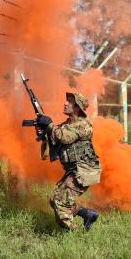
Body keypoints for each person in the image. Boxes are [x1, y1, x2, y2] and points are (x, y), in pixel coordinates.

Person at [35, 92, 102, 231]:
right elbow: (55, 137)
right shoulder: (66, 125)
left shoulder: (84, 125)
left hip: (85, 171)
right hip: (75, 170)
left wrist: (49, 124)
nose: (65, 103)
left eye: (70, 102)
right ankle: (87, 214)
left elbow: (64, 137)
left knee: (60, 202)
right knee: (54, 200)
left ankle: (74, 234)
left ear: (77, 107)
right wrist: (44, 132)